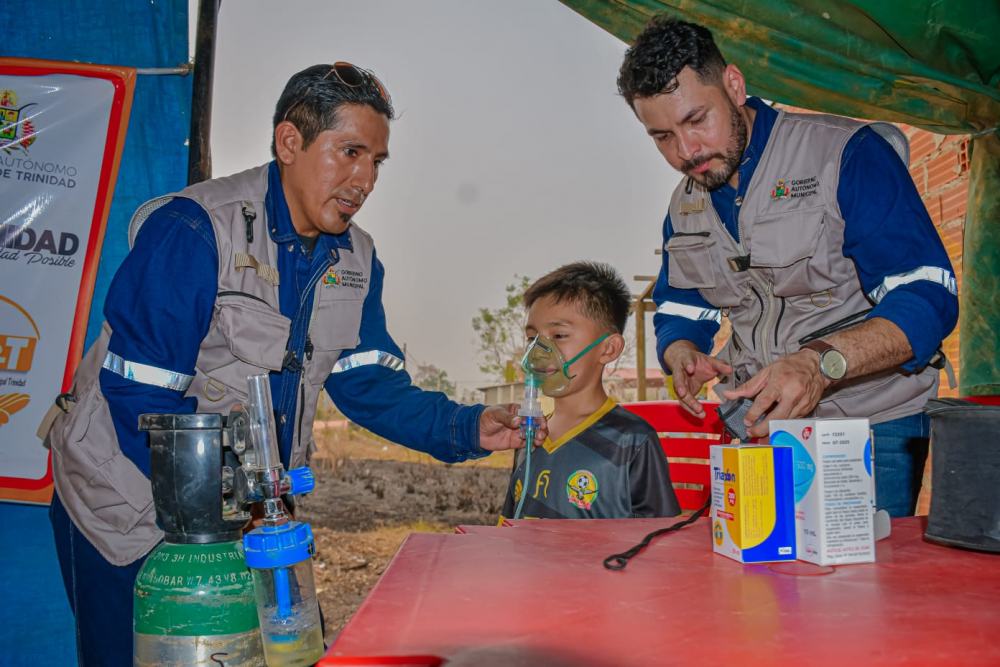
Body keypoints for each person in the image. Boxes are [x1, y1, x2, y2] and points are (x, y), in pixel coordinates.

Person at [43, 62, 544, 667]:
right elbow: (141, 401)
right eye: (349, 151)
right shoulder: (196, 230)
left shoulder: (356, 258)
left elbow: (370, 385)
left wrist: (466, 426)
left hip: (247, 518)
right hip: (124, 508)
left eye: (377, 161)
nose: (364, 179)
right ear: (290, 142)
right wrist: (233, 507)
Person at [616, 18, 958, 518]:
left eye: (697, 120)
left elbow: (928, 298)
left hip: (872, 421)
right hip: (763, 426)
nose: (686, 152)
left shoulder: (846, 154)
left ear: (734, 86)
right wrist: (682, 352)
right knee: (768, 586)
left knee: (865, 586)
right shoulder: (685, 204)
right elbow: (678, 303)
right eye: (662, 136)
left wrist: (819, 363)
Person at [500, 262, 680, 521]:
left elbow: (660, 541)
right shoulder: (530, 434)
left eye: (559, 335)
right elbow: (509, 524)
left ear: (608, 349)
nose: (538, 352)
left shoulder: (632, 441)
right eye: (533, 338)